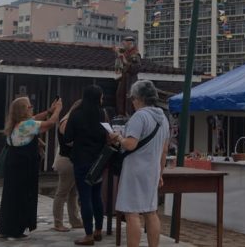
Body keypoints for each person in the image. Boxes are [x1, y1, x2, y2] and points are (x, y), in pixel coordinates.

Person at [111, 80, 171, 247]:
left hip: (135, 170)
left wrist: (118, 137)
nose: (132, 102)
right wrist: (160, 173)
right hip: (152, 169)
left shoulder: (140, 116)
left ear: (138, 98)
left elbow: (130, 144)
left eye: (133, 98)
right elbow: (165, 149)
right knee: (151, 212)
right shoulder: (163, 119)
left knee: (132, 213)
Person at [0, 96, 63, 239]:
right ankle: (16, 228)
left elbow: (35, 117)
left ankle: (7, 227)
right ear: (23, 110)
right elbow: (50, 124)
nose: (31, 107)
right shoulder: (26, 126)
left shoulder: (16, 125)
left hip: (13, 167)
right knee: (22, 198)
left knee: (10, 198)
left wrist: (49, 110)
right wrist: (57, 111)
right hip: (23, 168)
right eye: (29, 106)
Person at [63, 85, 110, 245]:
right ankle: (98, 230)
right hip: (99, 161)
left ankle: (88, 235)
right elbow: (107, 136)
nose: (103, 99)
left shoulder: (76, 115)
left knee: (85, 197)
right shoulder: (103, 114)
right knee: (97, 196)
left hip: (81, 161)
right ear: (97, 98)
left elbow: (67, 138)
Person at [54, 99, 84, 232]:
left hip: (72, 160)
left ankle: (75, 220)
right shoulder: (66, 122)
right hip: (67, 161)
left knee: (73, 193)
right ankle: (58, 222)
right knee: (62, 193)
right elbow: (69, 141)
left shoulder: (71, 120)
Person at [113, 36, 142, 117]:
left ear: (129, 43)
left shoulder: (135, 54)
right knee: (120, 95)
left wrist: (124, 60)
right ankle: (121, 114)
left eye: (124, 43)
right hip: (124, 78)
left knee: (129, 97)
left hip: (131, 80)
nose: (123, 45)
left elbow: (136, 68)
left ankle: (128, 114)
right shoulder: (126, 52)